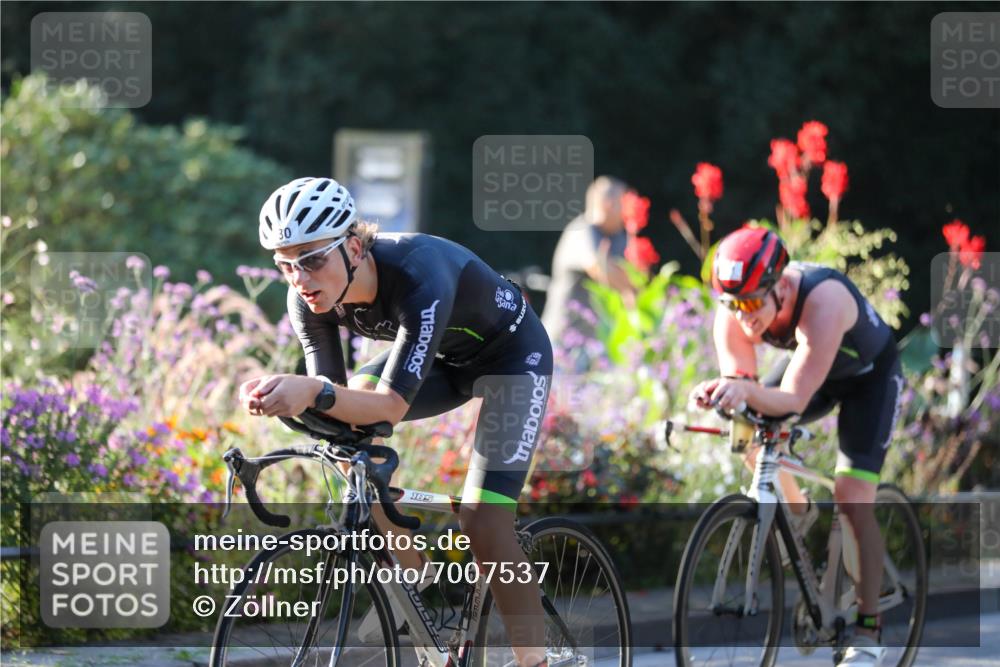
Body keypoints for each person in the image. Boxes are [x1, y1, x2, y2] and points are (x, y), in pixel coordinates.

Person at [239, 177, 554, 667]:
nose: (299, 278)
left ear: (354, 246)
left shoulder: (416, 272)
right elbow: (337, 408)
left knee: (483, 519)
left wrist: (312, 392)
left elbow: (389, 407)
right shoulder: (308, 300)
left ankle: (535, 660)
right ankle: (411, 567)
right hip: (445, 364)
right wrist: (287, 398)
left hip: (512, 360)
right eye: (284, 265)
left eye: (311, 260)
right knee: (345, 435)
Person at [692, 225, 904, 667]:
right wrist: (722, 391)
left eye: (752, 302)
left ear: (782, 286)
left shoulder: (824, 301)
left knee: (851, 499)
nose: (744, 317)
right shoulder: (734, 312)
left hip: (869, 380)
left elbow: (791, 401)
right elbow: (744, 387)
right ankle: (799, 511)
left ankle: (868, 632)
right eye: (733, 305)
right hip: (817, 369)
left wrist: (745, 393)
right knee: (748, 430)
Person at [541, 176, 636, 347]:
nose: (627, 213)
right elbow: (599, 268)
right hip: (562, 343)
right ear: (608, 204)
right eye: (625, 204)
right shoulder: (581, 230)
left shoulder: (618, 237)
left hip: (595, 344)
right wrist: (636, 292)